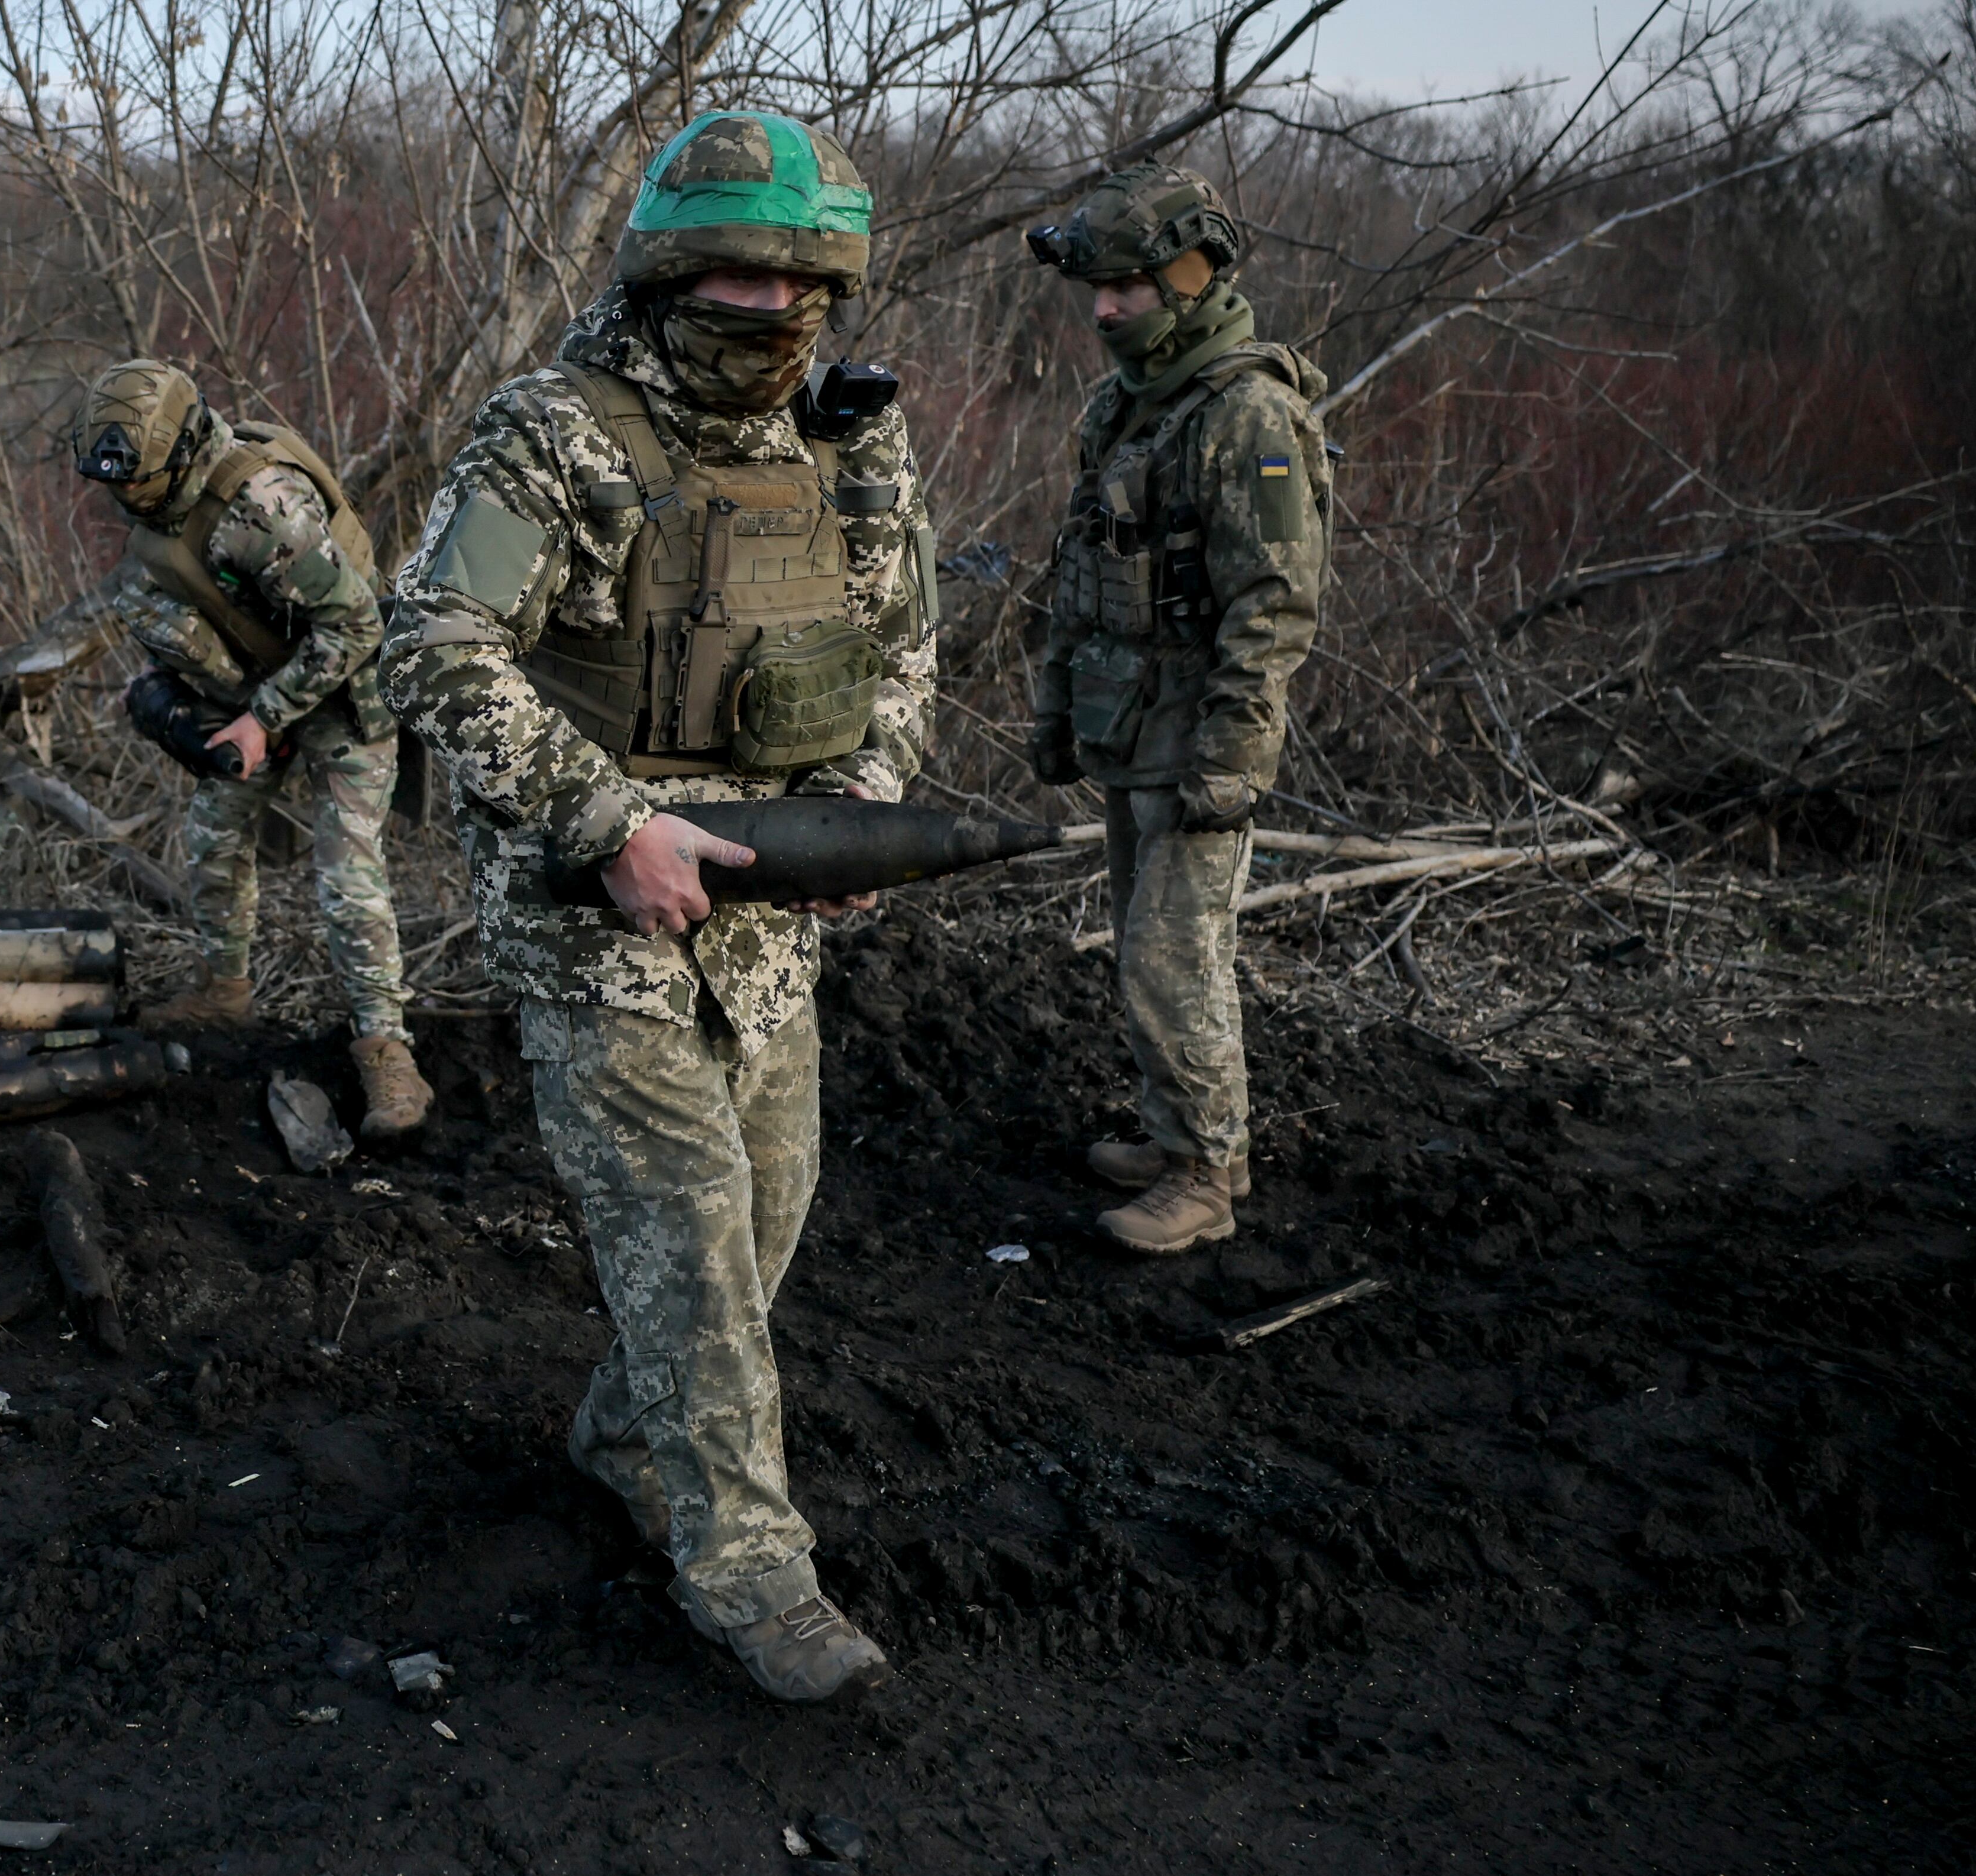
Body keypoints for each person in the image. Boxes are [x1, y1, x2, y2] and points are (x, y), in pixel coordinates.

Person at [381, 110, 936, 1704]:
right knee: (691, 1249)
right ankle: (752, 1578)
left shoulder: (854, 437)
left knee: (766, 1217)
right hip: (590, 905)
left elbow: (902, 642)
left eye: (795, 279)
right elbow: (430, 645)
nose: (766, 310)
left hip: (770, 905)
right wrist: (609, 818)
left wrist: (868, 813)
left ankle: (628, 1436)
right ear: (667, 272)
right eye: (730, 279)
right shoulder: (552, 431)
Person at [1024, 163, 1331, 1253]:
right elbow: (1079, 569)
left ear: (1190, 280)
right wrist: (1055, 705)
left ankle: (1205, 1172)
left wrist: (1234, 756)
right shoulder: (1123, 407)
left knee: (1170, 954)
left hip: (1197, 734)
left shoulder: (1247, 412)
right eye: (1097, 289)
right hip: (1129, 722)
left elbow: (1274, 604)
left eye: (1130, 288)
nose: (1105, 310)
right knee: (1143, 945)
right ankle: (1182, 1134)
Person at [70, 358, 432, 1140]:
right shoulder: (160, 504)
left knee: (347, 876)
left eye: (136, 483)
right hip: (257, 685)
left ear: (179, 446)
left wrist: (266, 719)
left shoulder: (264, 505)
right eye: (116, 487)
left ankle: (385, 1047)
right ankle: (225, 989)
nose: (125, 500)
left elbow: (357, 626)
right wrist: (170, 698)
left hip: (343, 687)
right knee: (212, 832)